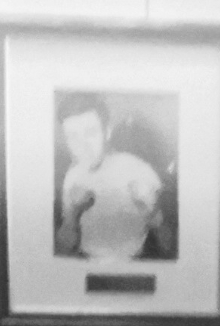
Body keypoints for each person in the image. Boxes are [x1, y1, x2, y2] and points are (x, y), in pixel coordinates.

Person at [53, 98, 167, 261]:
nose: (82, 145)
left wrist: (153, 212)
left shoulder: (140, 172)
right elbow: (63, 248)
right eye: (72, 136)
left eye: (90, 133)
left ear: (107, 132)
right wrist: (72, 216)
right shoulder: (72, 177)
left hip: (135, 266)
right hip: (86, 265)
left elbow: (169, 246)